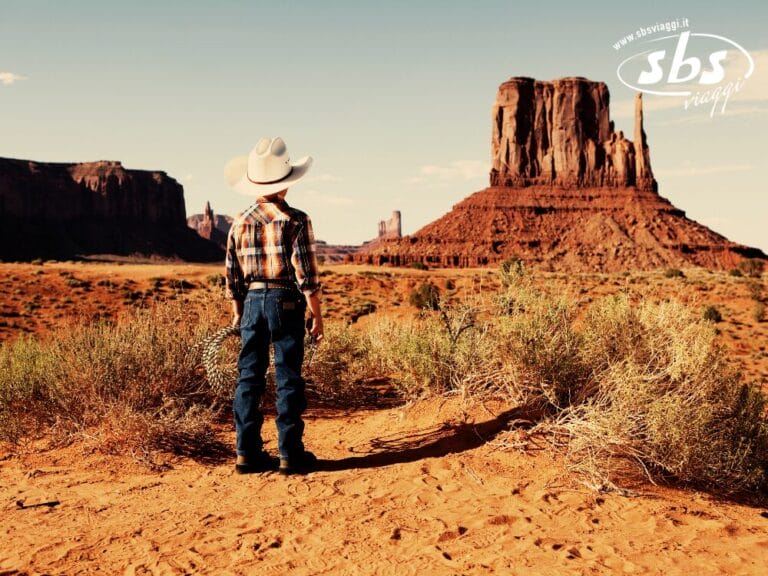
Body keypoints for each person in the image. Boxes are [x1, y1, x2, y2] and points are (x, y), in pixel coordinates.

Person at [223, 136, 324, 475]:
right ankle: (289, 454)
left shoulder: (238, 221)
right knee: (288, 374)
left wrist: (238, 311)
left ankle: (246, 452)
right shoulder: (295, 219)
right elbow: (306, 272)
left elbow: (231, 274)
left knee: (248, 375)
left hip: (252, 299)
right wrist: (317, 315)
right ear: (286, 182)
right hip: (286, 300)